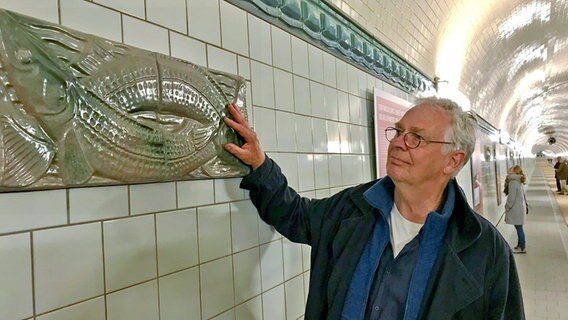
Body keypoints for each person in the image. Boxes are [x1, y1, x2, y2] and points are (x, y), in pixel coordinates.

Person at [223, 97, 525, 319]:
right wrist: (260, 164)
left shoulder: (486, 251)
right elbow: (295, 215)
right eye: (398, 131)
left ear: (453, 160)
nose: (398, 143)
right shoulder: (353, 207)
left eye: (416, 138)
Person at [504, 165, 528, 254]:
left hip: (515, 209)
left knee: (519, 229)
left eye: (511, 168)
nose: (508, 169)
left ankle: (522, 248)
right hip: (519, 208)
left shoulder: (513, 182)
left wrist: (507, 207)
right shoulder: (518, 180)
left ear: (514, 171)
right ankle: (520, 245)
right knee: (519, 228)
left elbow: (511, 197)